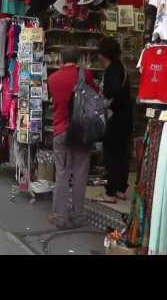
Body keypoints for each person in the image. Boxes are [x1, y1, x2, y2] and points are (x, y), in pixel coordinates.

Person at [47, 46, 99, 230]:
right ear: (78, 59)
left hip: (61, 129)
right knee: (80, 174)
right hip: (82, 131)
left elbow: (54, 100)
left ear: (61, 59)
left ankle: (60, 217)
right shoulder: (86, 74)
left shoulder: (52, 78)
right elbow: (95, 95)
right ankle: (77, 216)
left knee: (61, 173)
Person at [94, 37, 133, 204]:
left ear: (104, 54)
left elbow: (112, 92)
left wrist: (104, 98)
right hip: (125, 117)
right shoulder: (122, 68)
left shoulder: (112, 70)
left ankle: (109, 192)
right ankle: (120, 189)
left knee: (111, 155)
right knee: (122, 154)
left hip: (115, 118)